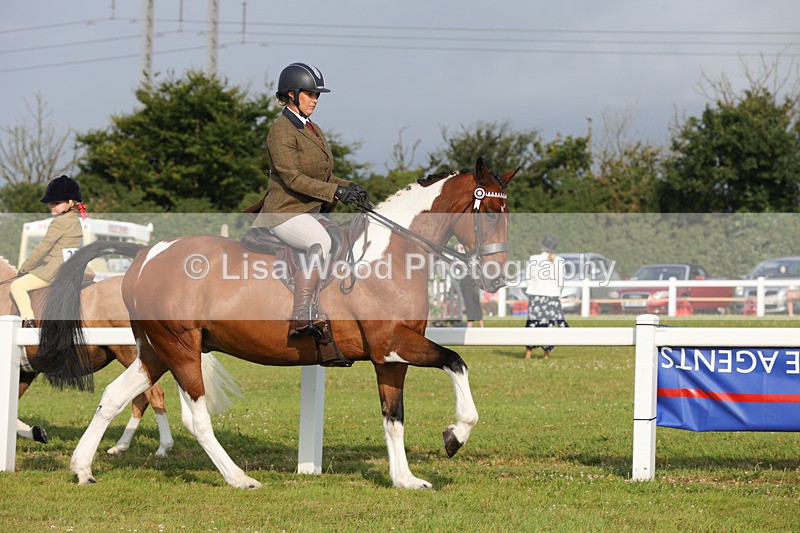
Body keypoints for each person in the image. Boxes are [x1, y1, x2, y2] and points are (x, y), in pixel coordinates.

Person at [249, 62, 368, 366]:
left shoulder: (311, 128)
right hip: (284, 212)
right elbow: (293, 178)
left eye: (317, 95)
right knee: (321, 243)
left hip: (308, 211)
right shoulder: (280, 130)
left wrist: (348, 187)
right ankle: (302, 313)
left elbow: (323, 175)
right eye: (310, 94)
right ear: (291, 94)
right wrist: (334, 192)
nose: (315, 99)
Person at [11, 175, 86, 328]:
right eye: (51, 203)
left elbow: (42, 248)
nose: (52, 206)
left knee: (17, 286)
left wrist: (25, 268)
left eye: (56, 203)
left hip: (55, 269)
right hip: (75, 265)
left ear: (71, 202)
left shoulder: (59, 222)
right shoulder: (75, 220)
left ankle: (28, 321)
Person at [524, 234, 568, 359]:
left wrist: (532, 289)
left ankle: (528, 353)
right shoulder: (560, 261)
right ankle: (546, 354)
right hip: (552, 297)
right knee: (549, 325)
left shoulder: (533, 259)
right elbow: (561, 281)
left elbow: (528, 278)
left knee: (532, 324)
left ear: (542, 246)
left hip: (536, 296)